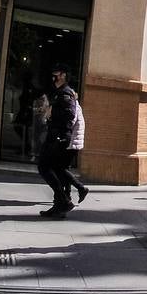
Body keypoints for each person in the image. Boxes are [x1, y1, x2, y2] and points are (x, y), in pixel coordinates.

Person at [37, 64, 89, 218]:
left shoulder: (65, 93)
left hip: (60, 138)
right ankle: (62, 204)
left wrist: (58, 132)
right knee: (57, 169)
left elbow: (69, 116)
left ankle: (65, 200)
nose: (53, 75)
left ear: (64, 75)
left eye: (56, 73)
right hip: (61, 137)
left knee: (45, 167)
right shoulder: (61, 93)